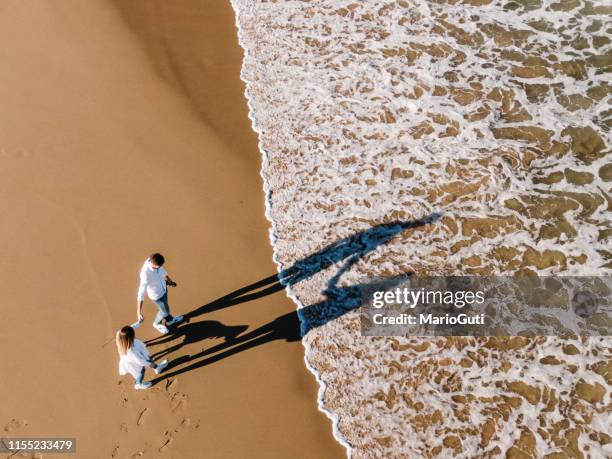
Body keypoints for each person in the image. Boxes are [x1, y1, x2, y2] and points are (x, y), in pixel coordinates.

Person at [137, 253, 183, 334]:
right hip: (157, 296)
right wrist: (138, 312)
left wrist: (169, 280)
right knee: (165, 311)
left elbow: (163, 271)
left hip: (164, 289)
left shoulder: (154, 261)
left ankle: (169, 321)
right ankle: (156, 323)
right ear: (154, 264)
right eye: (159, 266)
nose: (160, 267)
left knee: (165, 308)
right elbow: (141, 293)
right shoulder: (145, 274)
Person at [116, 325, 168, 390]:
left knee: (148, 359)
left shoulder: (120, 337)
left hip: (137, 356)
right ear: (130, 338)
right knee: (141, 372)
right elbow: (140, 361)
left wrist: (139, 322)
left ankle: (157, 368)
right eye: (133, 334)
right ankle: (138, 384)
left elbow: (129, 329)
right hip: (133, 362)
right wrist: (149, 364)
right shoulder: (131, 352)